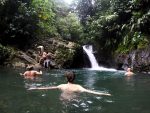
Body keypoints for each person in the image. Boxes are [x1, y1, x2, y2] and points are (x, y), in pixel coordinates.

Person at [29, 71, 111, 96]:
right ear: (74, 78)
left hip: (63, 100)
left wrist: (35, 88)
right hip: (73, 101)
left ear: (66, 78)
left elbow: (47, 88)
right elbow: (91, 92)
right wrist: (104, 94)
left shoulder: (61, 86)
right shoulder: (78, 87)